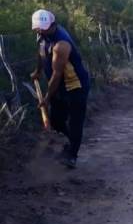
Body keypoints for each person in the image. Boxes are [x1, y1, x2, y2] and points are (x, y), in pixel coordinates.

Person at [30, 10, 90, 168]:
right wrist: (38, 71)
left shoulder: (61, 45)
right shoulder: (41, 34)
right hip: (59, 86)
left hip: (76, 86)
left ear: (53, 25)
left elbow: (57, 75)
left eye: (44, 28)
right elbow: (41, 52)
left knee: (75, 122)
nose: (40, 31)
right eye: (38, 28)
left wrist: (46, 99)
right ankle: (72, 142)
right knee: (56, 121)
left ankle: (72, 156)